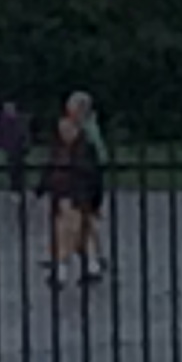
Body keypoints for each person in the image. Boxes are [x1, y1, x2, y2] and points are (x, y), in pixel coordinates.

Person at [43, 90, 109, 285]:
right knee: (82, 228)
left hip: (76, 192)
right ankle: (91, 263)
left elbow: (94, 163)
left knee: (71, 229)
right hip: (72, 192)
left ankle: (66, 267)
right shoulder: (68, 142)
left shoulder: (86, 136)